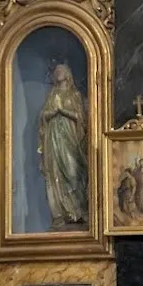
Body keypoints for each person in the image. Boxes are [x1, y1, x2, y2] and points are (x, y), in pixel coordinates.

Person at [38, 63, 88, 226]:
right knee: (55, 174)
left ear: (68, 74)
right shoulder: (52, 94)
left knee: (73, 173)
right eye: (56, 71)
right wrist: (52, 113)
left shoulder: (74, 95)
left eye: (61, 70)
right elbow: (43, 116)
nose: (57, 72)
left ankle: (77, 210)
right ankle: (60, 214)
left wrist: (63, 111)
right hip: (53, 140)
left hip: (70, 141)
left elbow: (81, 117)